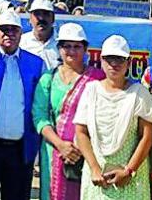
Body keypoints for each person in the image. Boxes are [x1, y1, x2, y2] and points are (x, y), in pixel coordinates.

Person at [74, 35, 152, 199]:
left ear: (128, 61)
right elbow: (81, 132)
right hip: (97, 178)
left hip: (131, 179)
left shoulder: (139, 94)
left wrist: (128, 171)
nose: (114, 64)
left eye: (119, 59)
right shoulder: (91, 91)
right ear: (101, 60)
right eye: (109, 59)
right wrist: (95, 168)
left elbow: (147, 137)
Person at [0, 10, 43, 200]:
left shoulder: (36, 64)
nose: (9, 34)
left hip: (20, 152)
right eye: (4, 29)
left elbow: (41, 107)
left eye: (14, 30)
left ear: (21, 33)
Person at [32, 23, 105, 200]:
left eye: (77, 46)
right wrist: (61, 145)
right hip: (53, 151)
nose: (71, 51)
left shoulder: (98, 78)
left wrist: (81, 146)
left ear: (85, 48)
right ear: (59, 48)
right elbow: (39, 117)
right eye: (66, 46)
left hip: (88, 153)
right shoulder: (48, 78)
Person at [20, 0, 59, 70]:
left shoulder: (63, 44)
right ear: (30, 19)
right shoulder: (21, 43)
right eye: (37, 14)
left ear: (53, 18)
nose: (41, 18)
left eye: (46, 14)